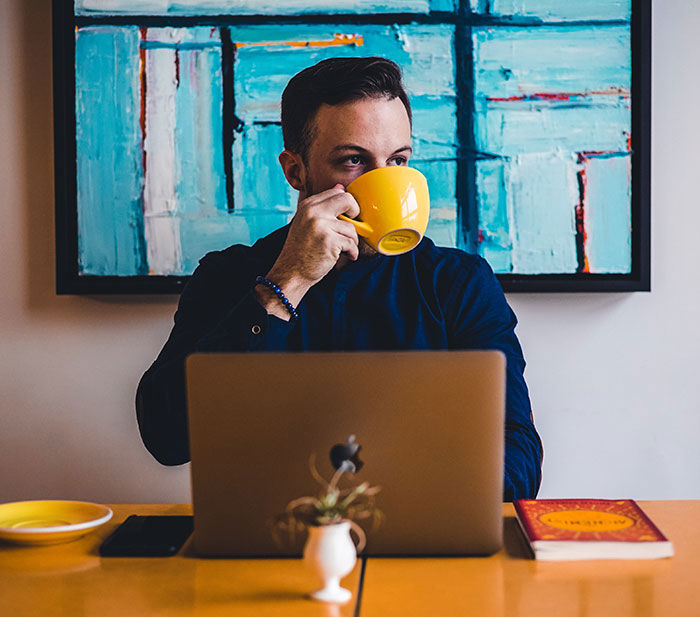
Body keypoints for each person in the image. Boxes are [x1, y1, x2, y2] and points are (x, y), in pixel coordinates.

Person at [136, 56, 543, 500]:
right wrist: (283, 284)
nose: (384, 182)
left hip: (423, 547)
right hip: (269, 547)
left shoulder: (458, 283)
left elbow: (517, 449)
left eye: (398, 160)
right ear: (296, 170)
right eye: (354, 161)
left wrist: (433, 499)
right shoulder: (229, 277)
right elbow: (166, 437)